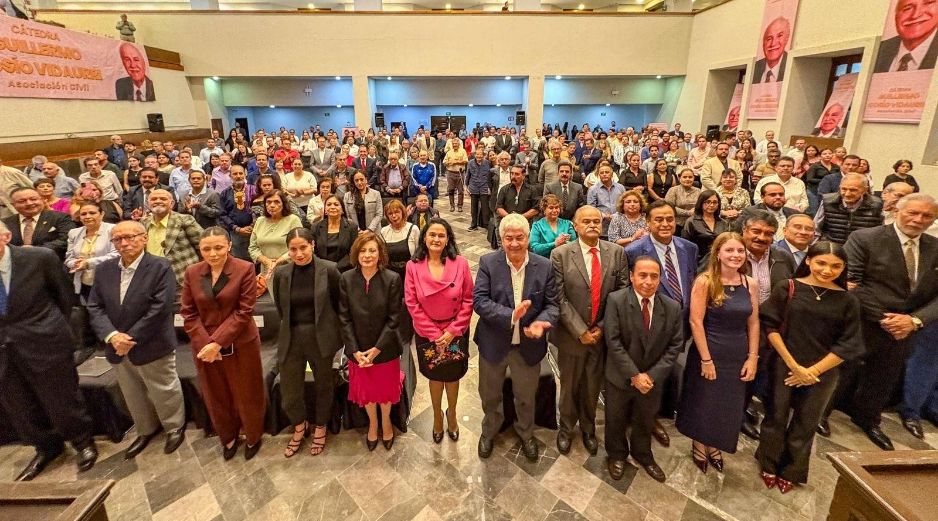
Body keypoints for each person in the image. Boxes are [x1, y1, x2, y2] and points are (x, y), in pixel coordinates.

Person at [823, 194, 938, 450]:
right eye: (913, 213)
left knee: (884, 377)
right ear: (897, 210)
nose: (918, 220)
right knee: (843, 371)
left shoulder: (935, 248)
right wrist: (886, 318)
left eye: (927, 216)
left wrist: (914, 320)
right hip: (864, 320)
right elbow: (852, 281)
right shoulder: (866, 238)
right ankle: (822, 414)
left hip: (906, 328)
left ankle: (867, 418)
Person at [756, 241, 863, 493]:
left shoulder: (848, 300)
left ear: (843, 268)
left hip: (824, 371)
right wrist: (794, 365)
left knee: (807, 422)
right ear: (808, 261)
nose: (827, 270)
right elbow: (770, 326)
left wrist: (812, 372)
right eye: (821, 263)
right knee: (776, 416)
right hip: (784, 364)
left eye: (836, 266)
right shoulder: (789, 288)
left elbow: (848, 344)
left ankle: (792, 469)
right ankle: (768, 462)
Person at [0, 221, 98, 481]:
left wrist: (57, 331)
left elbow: (65, 298)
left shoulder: (39, 258)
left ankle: (82, 442)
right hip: (4, 351)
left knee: (62, 398)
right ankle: (47, 447)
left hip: (44, 341)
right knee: (20, 406)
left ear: (7, 236)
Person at [87, 220, 187, 459]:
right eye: (118, 239)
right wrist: (112, 336)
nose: (124, 243)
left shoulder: (160, 266)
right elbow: (94, 306)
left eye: (130, 237)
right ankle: (145, 429)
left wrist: (129, 337)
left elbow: (160, 307)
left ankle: (174, 427)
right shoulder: (104, 269)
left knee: (163, 388)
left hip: (151, 341)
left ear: (144, 238)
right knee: (132, 391)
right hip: (116, 344)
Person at [474, 214, 559, 462]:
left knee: (525, 396)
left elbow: (552, 304)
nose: (514, 244)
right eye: (508, 238)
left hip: (529, 346)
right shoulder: (488, 263)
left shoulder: (544, 265)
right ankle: (489, 431)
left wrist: (542, 322)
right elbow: (480, 301)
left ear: (528, 237)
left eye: (519, 237)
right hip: (493, 343)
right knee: (490, 395)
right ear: (501, 239)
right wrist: (511, 315)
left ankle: (526, 432)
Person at [180, 227, 267, 461]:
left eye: (218, 247)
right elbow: (188, 313)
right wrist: (206, 343)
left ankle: (252, 435)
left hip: (240, 342)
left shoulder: (244, 268)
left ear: (229, 246)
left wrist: (217, 342)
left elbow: (244, 310)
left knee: (247, 391)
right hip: (204, 344)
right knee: (215, 394)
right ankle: (227, 436)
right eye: (207, 249)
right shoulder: (192, 272)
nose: (213, 253)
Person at [677, 232, 760, 474]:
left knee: (727, 404)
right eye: (730, 250)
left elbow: (753, 323)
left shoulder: (749, 284)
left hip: (737, 352)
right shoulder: (705, 281)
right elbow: (695, 321)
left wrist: (752, 357)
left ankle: (716, 443)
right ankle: (699, 442)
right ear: (718, 254)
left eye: (740, 251)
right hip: (710, 348)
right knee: (704, 400)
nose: (736, 255)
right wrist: (706, 359)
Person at [550, 205, 628, 456]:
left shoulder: (616, 253)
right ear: (575, 225)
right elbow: (558, 297)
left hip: (601, 334)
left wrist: (602, 328)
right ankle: (565, 428)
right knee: (570, 384)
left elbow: (621, 294)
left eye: (597, 221)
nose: (593, 225)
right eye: (587, 221)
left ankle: (588, 428)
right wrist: (580, 330)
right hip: (571, 335)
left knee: (592, 385)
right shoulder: (560, 254)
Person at [603, 256, 685, 482]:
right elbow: (613, 341)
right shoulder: (616, 300)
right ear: (631, 276)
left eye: (654, 276)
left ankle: (643, 454)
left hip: (652, 379)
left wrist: (650, 375)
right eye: (642, 275)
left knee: (645, 418)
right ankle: (616, 455)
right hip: (620, 377)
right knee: (615, 418)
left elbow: (675, 345)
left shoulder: (672, 307)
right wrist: (634, 375)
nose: (648, 281)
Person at [272, 228, 343, 457]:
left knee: (324, 384)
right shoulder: (282, 274)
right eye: (293, 249)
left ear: (312, 245)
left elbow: (338, 305)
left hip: (320, 337)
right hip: (291, 337)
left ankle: (321, 426)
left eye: (303, 247)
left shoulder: (329, 270)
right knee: (290, 390)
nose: (299, 253)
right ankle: (300, 425)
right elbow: (282, 309)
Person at [405, 218, 474, 443]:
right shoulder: (413, 266)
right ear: (424, 238)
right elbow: (412, 303)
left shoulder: (461, 264)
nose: (436, 239)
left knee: (453, 377)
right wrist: (435, 334)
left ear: (448, 239)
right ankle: (437, 415)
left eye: (441, 235)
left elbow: (468, 299)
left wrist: (453, 330)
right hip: (428, 334)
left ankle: (451, 414)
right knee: (435, 377)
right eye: (432, 235)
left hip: (455, 330)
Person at [339, 232, 405, 451]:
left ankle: (386, 421)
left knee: (385, 391)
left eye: (372, 251)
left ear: (380, 254)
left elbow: (394, 319)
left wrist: (376, 350)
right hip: (358, 349)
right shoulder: (346, 279)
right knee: (367, 391)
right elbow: (344, 317)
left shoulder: (392, 279)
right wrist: (355, 350)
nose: (367, 255)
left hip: (384, 348)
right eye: (363, 251)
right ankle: (373, 423)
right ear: (356, 253)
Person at [140, 189, 203, 286]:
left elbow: (203, 246)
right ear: (148, 203)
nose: (158, 201)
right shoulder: (144, 223)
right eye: (154, 199)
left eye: (163, 199)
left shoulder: (184, 220)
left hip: (181, 278)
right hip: (151, 277)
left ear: (172, 203)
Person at [65, 202, 118, 302]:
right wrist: (75, 263)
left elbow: (117, 255)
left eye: (92, 213)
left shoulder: (113, 229)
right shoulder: (74, 233)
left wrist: (88, 263)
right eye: (83, 214)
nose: (87, 216)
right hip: (84, 283)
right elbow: (69, 259)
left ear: (102, 214)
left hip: (110, 282)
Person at [4, 187, 74, 260]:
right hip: (16, 265)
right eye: (22, 201)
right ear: (13, 205)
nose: (29, 203)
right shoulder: (5, 223)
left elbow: (66, 239)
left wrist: (35, 250)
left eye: (33, 199)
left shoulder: (60, 217)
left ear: (42, 200)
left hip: (51, 264)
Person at [814, 173, 884, 245]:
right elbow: (816, 229)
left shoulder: (877, 205)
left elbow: (881, 233)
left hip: (862, 251)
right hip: (833, 249)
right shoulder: (828, 202)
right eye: (844, 189)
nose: (847, 194)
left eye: (853, 190)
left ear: (864, 190)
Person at [249, 190, 302, 280]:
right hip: (267, 269)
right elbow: (252, 248)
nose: (272, 205)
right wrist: (266, 261)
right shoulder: (260, 221)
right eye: (268, 202)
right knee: (273, 294)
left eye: (276, 202)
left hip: (290, 267)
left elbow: (299, 246)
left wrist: (278, 261)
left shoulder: (293, 220)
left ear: (283, 204)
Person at [873, 0, 938, 73]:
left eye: (928, 3)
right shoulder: (877, 51)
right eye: (907, 8)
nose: (915, 15)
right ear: (896, 15)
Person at [310, 194, 357, 271]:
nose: (332, 207)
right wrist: (324, 266)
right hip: (321, 269)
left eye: (336, 204)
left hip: (345, 270)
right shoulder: (315, 227)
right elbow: (313, 251)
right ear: (325, 210)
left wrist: (335, 268)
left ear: (342, 209)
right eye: (329, 204)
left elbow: (353, 252)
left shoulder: (352, 227)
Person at [682, 190, 730, 264]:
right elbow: (685, 246)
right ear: (701, 203)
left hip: (720, 262)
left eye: (715, 202)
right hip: (698, 263)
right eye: (708, 202)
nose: (711, 205)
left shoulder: (724, 223)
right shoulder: (691, 222)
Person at [753, 17, 790, 83]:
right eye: (769, 38)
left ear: (786, 39)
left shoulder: (791, 66)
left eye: (779, 36)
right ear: (763, 43)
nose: (773, 43)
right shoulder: (754, 68)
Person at [443, 138, 469, 212]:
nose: (454, 145)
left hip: (460, 173)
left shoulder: (463, 151)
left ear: (459, 144)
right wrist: (448, 163)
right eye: (453, 144)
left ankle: (460, 206)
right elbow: (444, 162)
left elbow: (465, 160)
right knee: (451, 190)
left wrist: (455, 162)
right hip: (450, 173)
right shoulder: (449, 152)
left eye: (456, 143)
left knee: (460, 191)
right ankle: (452, 205)